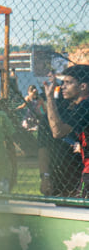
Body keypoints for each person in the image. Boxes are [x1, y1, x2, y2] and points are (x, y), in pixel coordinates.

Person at [41, 64, 89, 198]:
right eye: (63, 83)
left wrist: (49, 98)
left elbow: (57, 131)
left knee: (79, 205)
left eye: (69, 83)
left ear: (83, 86)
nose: (63, 86)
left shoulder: (85, 105)